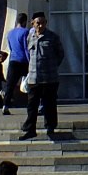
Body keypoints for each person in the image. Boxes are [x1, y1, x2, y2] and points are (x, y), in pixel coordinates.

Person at [20, 12, 64, 140]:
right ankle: (30, 129)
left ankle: (50, 127)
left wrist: (52, 66)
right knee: (32, 105)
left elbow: (60, 54)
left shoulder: (52, 37)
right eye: (37, 23)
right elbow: (28, 53)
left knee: (49, 104)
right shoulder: (30, 36)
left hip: (50, 78)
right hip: (34, 78)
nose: (40, 26)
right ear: (32, 23)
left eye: (43, 23)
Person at [2, 12, 31, 116]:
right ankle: (33, 105)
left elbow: (10, 47)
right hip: (23, 61)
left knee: (10, 84)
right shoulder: (25, 32)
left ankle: (5, 105)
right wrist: (30, 61)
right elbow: (26, 48)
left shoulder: (10, 33)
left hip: (13, 60)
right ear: (24, 21)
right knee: (32, 83)